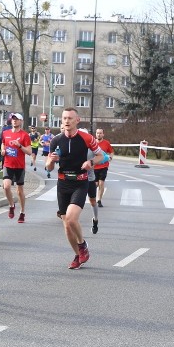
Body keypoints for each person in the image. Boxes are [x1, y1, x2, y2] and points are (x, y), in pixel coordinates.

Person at [47, 108, 109, 270]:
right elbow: (48, 167)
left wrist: (91, 163)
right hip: (63, 184)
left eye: (70, 118)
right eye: (64, 118)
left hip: (80, 183)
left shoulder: (86, 138)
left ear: (77, 120)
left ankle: (82, 245)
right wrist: (52, 161)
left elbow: (101, 155)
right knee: (67, 225)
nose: (66, 121)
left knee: (72, 218)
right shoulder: (56, 140)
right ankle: (78, 255)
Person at [1, 112, 32, 223]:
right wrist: (3, 151)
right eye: (13, 119)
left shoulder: (25, 135)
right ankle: (11, 205)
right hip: (8, 164)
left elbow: (29, 152)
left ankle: (22, 212)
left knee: (19, 191)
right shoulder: (5, 133)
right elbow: (3, 144)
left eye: (16, 119)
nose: (14, 120)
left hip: (19, 166)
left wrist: (19, 146)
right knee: (6, 186)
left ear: (21, 121)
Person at [93, 128, 114, 207]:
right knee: (96, 184)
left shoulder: (106, 143)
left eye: (100, 133)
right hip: (94, 167)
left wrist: (110, 158)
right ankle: (93, 198)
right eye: (97, 133)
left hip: (104, 166)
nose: (99, 134)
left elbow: (111, 152)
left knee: (101, 183)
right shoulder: (93, 142)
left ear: (103, 134)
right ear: (96, 134)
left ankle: (99, 200)